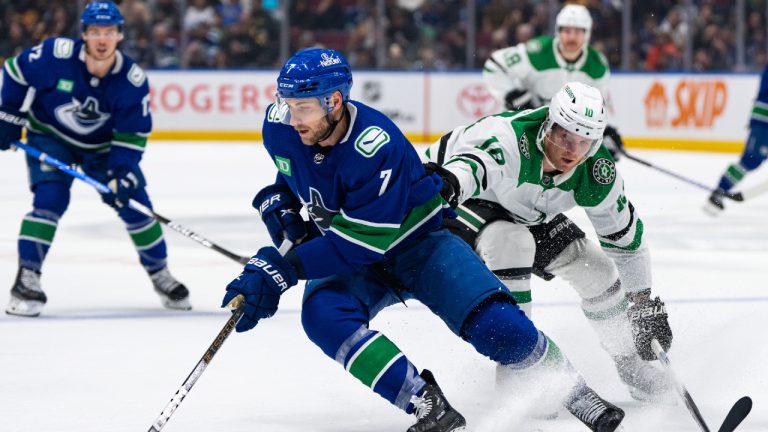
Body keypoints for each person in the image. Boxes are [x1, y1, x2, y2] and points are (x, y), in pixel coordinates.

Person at [221, 48, 625, 432]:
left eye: (304, 108)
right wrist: (280, 202)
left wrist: (284, 268)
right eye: (289, 104)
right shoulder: (282, 127)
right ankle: (425, 402)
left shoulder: (376, 146)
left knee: (498, 327)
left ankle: (574, 390)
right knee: (323, 316)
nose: (293, 118)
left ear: (335, 102)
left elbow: (359, 245)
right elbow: (298, 168)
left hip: (419, 245)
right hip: (354, 252)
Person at [424, 82, 674, 403]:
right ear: (548, 124)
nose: (572, 151)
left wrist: (641, 302)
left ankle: (630, 364)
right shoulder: (509, 139)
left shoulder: (596, 172)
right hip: (459, 200)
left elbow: (626, 242)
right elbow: (472, 167)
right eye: (565, 137)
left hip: (527, 210)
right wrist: (449, 184)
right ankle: (518, 369)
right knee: (513, 243)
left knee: (597, 271)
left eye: (584, 143)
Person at [0, 1, 190, 316]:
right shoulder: (56, 55)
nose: (102, 39)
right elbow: (15, 72)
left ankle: (160, 273)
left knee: (136, 206)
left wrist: (121, 172)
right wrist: (9, 115)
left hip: (103, 149)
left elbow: (131, 135)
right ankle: (27, 277)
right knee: (49, 199)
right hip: (50, 137)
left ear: (119, 35)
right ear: (84, 34)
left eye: (109, 32)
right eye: (96, 31)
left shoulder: (131, 80)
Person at [482, 4, 624, 159]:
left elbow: (597, 107)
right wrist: (511, 95)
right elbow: (494, 65)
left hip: (561, 138)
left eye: (577, 32)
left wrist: (603, 132)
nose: (571, 38)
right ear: (558, 32)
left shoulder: (597, 64)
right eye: (567, 31)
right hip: (523, 125)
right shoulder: (537, 51)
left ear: (587, 34)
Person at [704, 65, 768, 215]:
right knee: (750, 160)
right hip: (764, 124)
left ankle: (721, 189)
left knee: (751, 160)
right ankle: (721, 189)